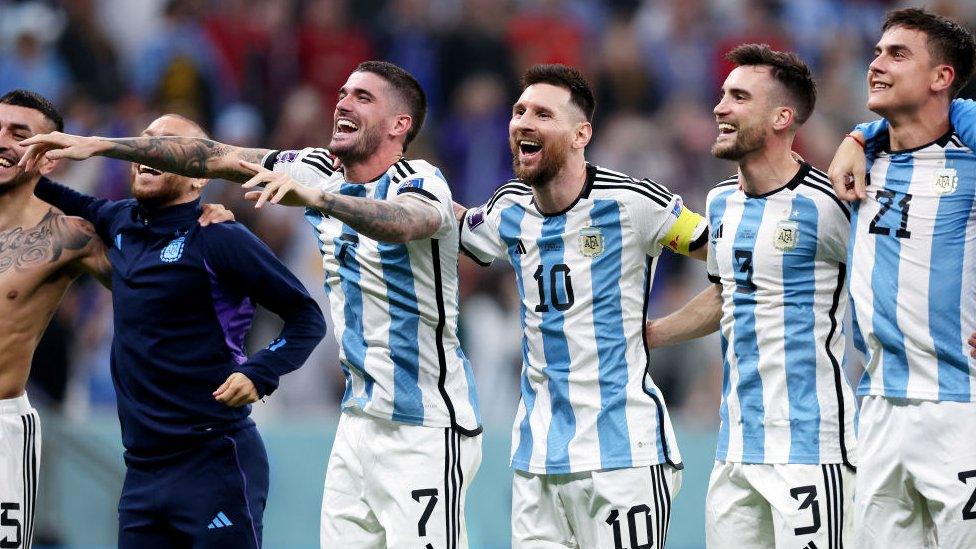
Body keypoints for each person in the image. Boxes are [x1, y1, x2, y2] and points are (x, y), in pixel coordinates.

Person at [20, 60, 482, 549]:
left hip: (426, 424)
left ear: (399, 125)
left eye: (363, 97)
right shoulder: (317, 168)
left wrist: (320, 201)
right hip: (358, 421)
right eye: (343, 92)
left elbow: (405, 222)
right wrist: (104, 145)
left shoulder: (420, 179)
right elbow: (212, 155)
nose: (343, 102)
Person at [26, 112, 326, 548]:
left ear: (199, 179)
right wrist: (21, 159)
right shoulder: (120, 221)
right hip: (141, 473)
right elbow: (53, 195)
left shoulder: (221, 237)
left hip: (213, 460)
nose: (148, 151)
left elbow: (306, 316)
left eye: (166, 146)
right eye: (144, 142)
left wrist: (259, 373)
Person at [455, 63, 707, 548]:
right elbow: (453, 230)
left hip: (623, 458)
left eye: (543, 113)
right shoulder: (509, 207)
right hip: (536, 463)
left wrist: (663, 329)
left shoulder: (634, 202)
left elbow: (730, 257)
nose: (524, 121)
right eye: (519, 110)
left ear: (580, 134)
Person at [646, 44, 856, 548]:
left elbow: (891, 279)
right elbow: (727, 296)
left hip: (812, 446)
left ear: (783, 117)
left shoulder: (829, 207)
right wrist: (647, 334)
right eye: (722, 94)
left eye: (739, 96)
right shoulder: (720, 202)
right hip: (735, 448)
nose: (720, 107)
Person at [826, 7, 976, 548]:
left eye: (897, 54)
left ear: (942, 78)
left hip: (962, 407)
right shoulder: (859, 166)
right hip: (880, 410)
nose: (876, 64)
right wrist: (860, 136)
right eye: (876, 52)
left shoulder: (968, 163)